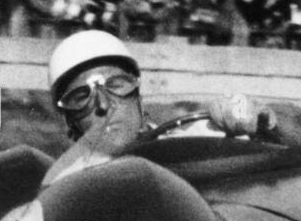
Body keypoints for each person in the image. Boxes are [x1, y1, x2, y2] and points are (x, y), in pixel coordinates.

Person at [41, 29, 281, 183]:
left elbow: (285, 157)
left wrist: (257, 119)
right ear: (68, 122)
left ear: (138, 98)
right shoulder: (64, 185)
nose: (104, 104)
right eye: (81, 97)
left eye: (117, 84)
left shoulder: (197, 140)